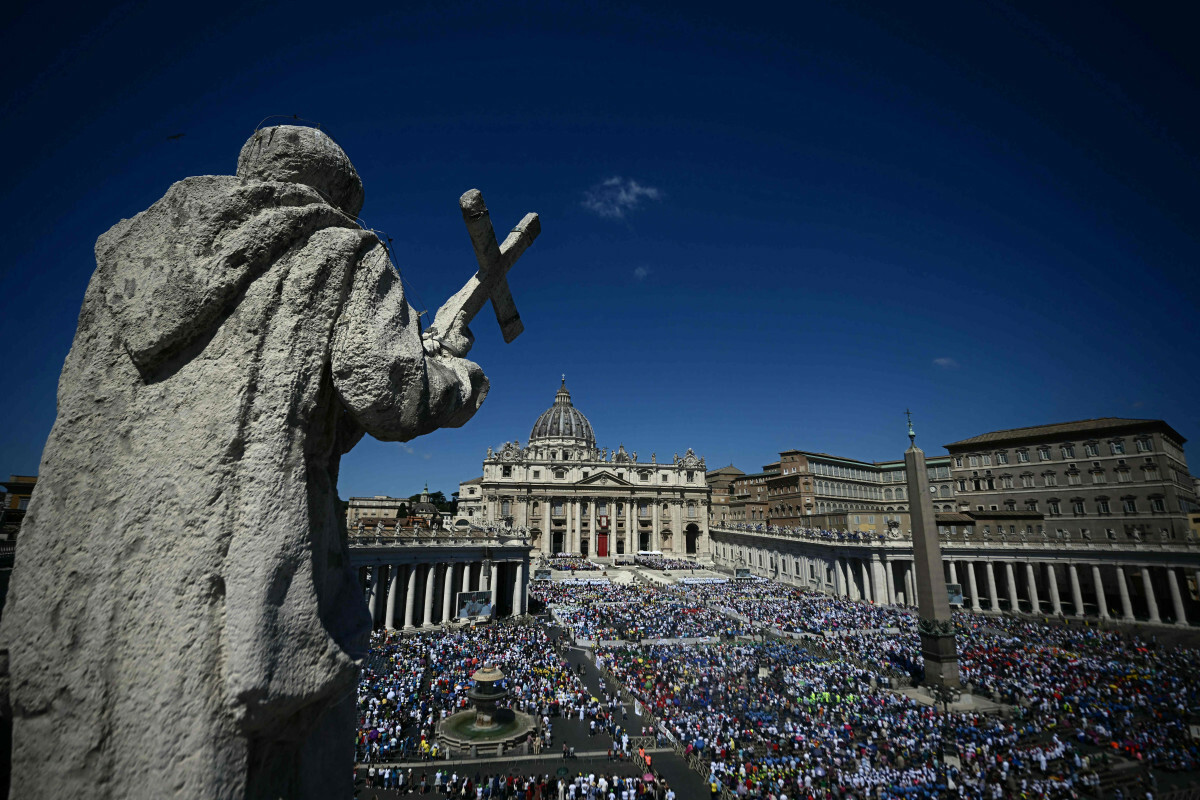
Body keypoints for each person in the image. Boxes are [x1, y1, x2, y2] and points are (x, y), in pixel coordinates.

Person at [0, 124, 491, 799]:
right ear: (340, 195)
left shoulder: (127, 264)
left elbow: (303, 414)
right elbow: (390, 394)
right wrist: (455, 372)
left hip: (97, 575)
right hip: (241, 574)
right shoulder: (339, 247)